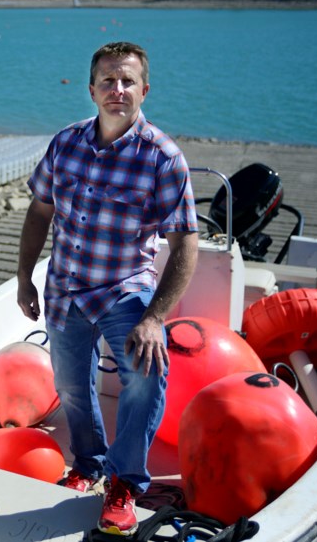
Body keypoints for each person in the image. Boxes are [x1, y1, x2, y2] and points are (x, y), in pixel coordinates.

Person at [16, 41, 199, 537]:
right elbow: (39, 212)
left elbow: (186, 244)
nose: (117, 89)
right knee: (73, 387)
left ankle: (124, 482)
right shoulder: (66, 143)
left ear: (144, 89)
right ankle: (90, 462)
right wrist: (24, 276)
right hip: (65, 288)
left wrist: (155, 317)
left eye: (127, 81)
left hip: (125, 288)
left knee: (144, 371)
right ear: (92, 88)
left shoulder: (163, 157)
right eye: (108, 80)